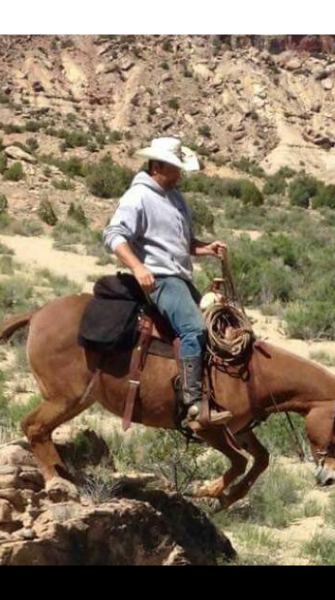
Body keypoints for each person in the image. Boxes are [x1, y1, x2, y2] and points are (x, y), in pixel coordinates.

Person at [103, 136, 229, 430]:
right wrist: (137, 267)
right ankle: (192, 403)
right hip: (159, 278)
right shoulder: (138, 196)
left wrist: (206, 248)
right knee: (194, 328)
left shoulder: (176, 199)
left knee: (219, 324)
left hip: (181, 276)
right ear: (158, 166)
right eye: (175, 167)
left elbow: (183, 243)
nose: (180, 173)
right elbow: (114, 235)